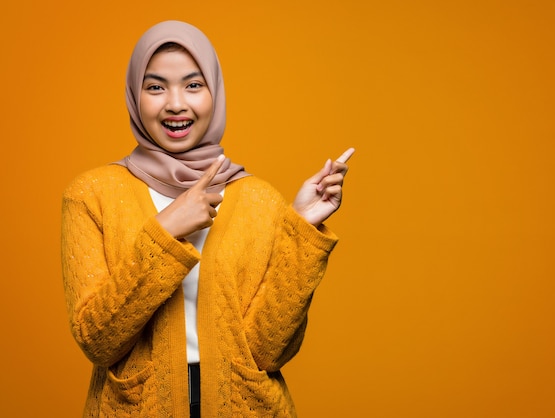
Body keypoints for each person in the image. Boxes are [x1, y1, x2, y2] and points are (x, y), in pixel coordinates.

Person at [61, 20, 353, 417]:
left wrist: (302, 228)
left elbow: (270, 352)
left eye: (193, 85)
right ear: (134, 95)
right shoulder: (91, 195)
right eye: (156, 86)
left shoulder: (258, 199)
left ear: (215, 92)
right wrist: (166, 230)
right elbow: (98, 341)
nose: (176, 103)